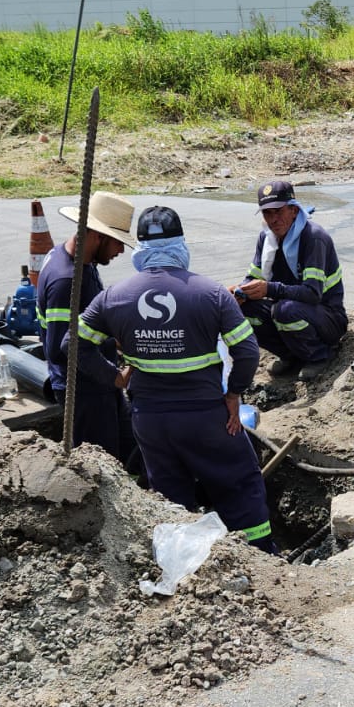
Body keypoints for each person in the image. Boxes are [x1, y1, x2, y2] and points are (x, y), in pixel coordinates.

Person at [74, 206, 277, 554]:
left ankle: (182, 561)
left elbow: (72, 346)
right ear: (181, 245)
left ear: (140, 249)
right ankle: (263, 558)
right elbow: (247, 351)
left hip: (150, 421)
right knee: (239, 484)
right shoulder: (213, 295)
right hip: (208, 418)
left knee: (170, 495)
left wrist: (116, 377)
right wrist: (234, 394)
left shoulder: (113, 297)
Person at [38, 191, 140, 468]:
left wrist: (118, 340)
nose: (120, 251)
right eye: (117, 243)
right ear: (97, 235)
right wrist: (115, 377)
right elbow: (62, 349)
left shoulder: (81, 262)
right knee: (101, 466)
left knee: (128, 449)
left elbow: (89, 322)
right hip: (84, 391)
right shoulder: (67, 280)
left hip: (98, 382)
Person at [236, 180, 347, 382]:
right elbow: (254, 276)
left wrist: (269, 288)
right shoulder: (266, 238)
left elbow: (313, 294)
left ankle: (319, 356)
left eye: (278, 211)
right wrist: (240, 291)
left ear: (294, 210)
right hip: (292, 306)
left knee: (284, 310)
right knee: (245, 308)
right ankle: (290, 356)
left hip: (327, 317)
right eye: (267, 213)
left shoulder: (313, 238)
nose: (273, 219)